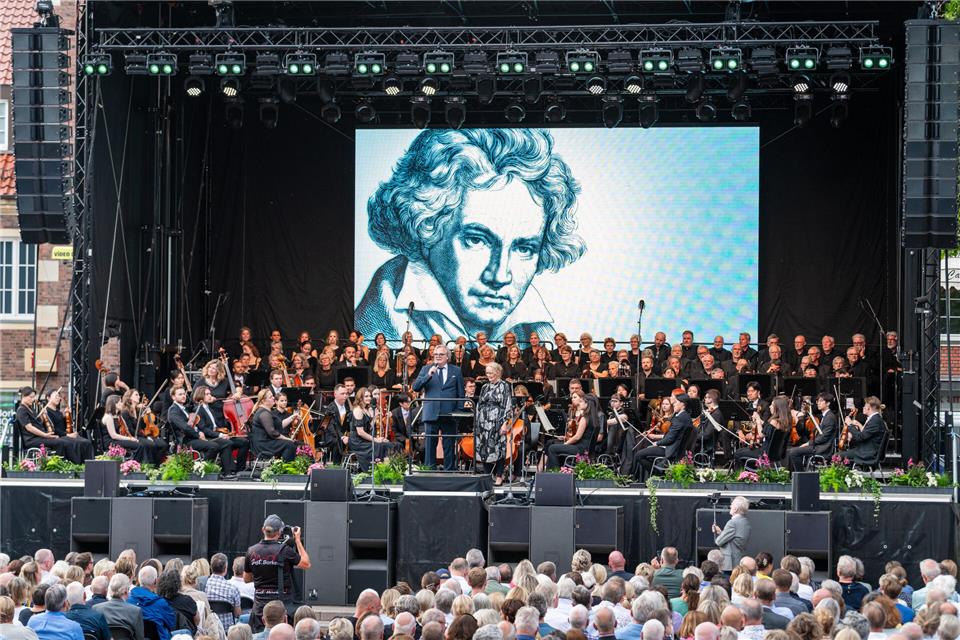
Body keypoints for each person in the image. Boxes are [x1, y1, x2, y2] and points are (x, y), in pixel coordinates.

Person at [355, 129, 586, 342]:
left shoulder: (538, 329)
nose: (499, 275)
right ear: (427, 226)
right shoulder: (379, 321)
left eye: (523, 249)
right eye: (476, 240)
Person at [244, 514, 311, 632]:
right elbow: (306, 564)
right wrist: (297, 540)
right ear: (279, 533)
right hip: (281, 606)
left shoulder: (251, 551)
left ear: (263, 529)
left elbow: (246, 579)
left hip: (260, 608)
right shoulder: (284, 550)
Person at [412, 345, 464, 470]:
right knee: (430, 445)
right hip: (431, 413)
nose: (438, 357)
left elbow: (461, 393)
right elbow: (415, 387)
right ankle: (430, 470)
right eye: (436, 355)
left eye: (441, 354)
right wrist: (428, 376)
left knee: (449, 445)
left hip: (450, 414)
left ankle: (450, 471)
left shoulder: (456, 370)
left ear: (447, 356)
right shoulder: (426, 369)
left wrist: (459, 412)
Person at [15, 387, 93, 464]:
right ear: (23, 396)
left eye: (33, 397)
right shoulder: (22, 410)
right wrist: (45, 435)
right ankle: (67, 465)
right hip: (32, 440)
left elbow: (38, 423)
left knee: (66, 441)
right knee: (62, 442)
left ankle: (77, 464)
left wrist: (42, 416)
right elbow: (29, 427)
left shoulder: (30, 408)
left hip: (39, 437)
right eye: (31, 397)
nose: (33, 399)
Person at [633, 394, 693, 481]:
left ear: (683, 404)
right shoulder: (684, 416)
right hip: (673, 448)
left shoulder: (680, 418)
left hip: (671, 450)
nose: (674, 404)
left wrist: (656, 443)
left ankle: (658, 473)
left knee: (639, 455)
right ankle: (657, 473)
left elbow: (670, 439)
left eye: (676, 403)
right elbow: (671, 434)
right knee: (644, 451)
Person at [474, 362, 514, 485]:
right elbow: (479, 404)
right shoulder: (485, 386)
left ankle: (499, 475)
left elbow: (507, 405)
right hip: (483, 421)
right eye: (487, 373)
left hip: (497, 420)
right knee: (483, 448)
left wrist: (505, 424)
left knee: (498, 448)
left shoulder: (504, 385)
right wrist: (477, 420)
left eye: (491, 372)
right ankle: (487, 475)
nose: (488, 375)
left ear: (498, 372)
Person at [786, 393, 839, 471]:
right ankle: (793, 476)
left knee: (794, 452)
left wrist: (807, 443)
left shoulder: (830, 417)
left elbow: (823, 437)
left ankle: (801, 475)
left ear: (828, 403)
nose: (818, 403)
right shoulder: (825, 416)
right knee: (791, 451)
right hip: (818, 446)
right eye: (817, 401)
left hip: (823, 448)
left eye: (821, 401)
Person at [349, 387, 396, 472]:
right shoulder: (358, 410)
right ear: (361, 398)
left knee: (388, 444)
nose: (369, 398)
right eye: (366, 396)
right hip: (358, 442)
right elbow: (360, 432)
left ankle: (388, 469)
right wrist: (376, 440)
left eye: (370, 396)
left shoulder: (366, 409)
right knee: (381, 445)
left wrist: (375, 416)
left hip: (364, 439)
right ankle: (378, 469)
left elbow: (369, 428)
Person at [247, 390, 299, 463]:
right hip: (263, 444)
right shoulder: (264, 413)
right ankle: (284, 470)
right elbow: (272, 432)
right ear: (264, 401)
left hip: (267, 441)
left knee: (290, 443)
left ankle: (282, 466)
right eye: (271, 397)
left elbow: (279, 425)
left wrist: (292, 417)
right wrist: (287, 439)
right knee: (289, 444)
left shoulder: (266, 411)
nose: (273, 398)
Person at [544, 391, 591, 469]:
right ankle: (548, 472)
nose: (579, 402)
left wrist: (566, 443)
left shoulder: (584, 417)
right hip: (581, 446)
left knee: (552, 448)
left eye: (581, 401)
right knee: (551, 444)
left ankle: (555, 474)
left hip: (580, 448)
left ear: (587, 403)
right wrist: (566, 437)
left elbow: (577, 437)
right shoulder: (587, 416)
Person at [128, 566, 175, 640]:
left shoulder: (128, 600)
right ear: (156, 581)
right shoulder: (161, 603)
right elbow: (172, 624)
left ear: (138, 580)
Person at [93, 574, 144, 640]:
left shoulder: (96, 609)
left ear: (109, 589)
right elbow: (140, 638)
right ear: (126, 590)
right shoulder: (135, 611)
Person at [839, 396, 887, 465]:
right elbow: (865, 434)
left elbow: (860, 437)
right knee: (844, 453)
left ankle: (843, 474)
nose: (863, 407)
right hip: (868, 450)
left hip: (868, 453)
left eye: (865, 406)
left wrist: (850, 425)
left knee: (837, 456)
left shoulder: (875, 421)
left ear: (869, 407)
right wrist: (858, 425)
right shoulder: (875, 419)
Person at [712, 496, 752, 572]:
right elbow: (735, 539)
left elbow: (718, 542)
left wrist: (719, 534)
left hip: (729, 563)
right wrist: (721, 532)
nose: (730, 506)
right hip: (739, 560)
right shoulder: (746, 522)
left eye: (732, 504)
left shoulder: (732, 523)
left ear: (735, 509)